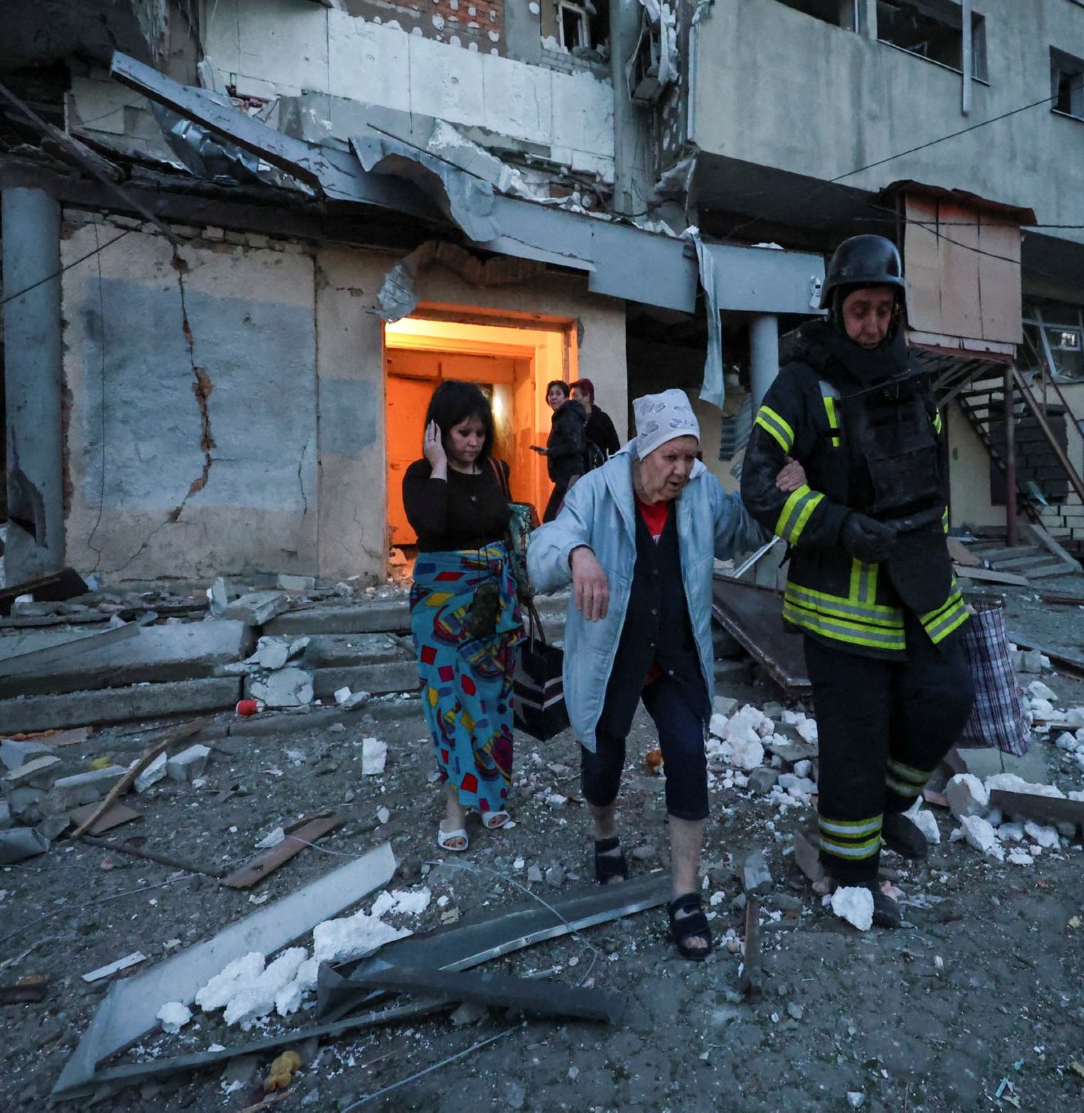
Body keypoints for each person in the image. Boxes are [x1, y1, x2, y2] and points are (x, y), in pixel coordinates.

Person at [741, 234, 974, 928]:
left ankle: (885, 811)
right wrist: (836, 523)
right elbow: (758, 485)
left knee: (947, 696)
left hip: (922, 586)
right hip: (841, 601)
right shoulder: (800, 385)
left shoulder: (913, 378)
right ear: (835, 309)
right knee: (857, 737)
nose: (871, 325)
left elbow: (932, 475)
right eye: (859, 310)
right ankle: (855, 875)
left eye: (882, 310)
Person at [528, 389, 768, 960]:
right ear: (643, 453)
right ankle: (604, 834)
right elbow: (542, 551)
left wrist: (777, 493)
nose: (683, 470)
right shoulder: (594, 491)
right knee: (603, 761)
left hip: (676, 659)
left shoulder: (701, 491)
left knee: (688, 754)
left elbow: (743, 532)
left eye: (691, 457)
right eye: (672, 458)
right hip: (613, 658)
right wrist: (578, 553)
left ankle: (685, 894)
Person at [402, 380, 526, 853]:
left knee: (492, 700)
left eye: (478, 432)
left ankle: (491, 793)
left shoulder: (496, 469)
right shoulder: (420, 475)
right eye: (461, 432)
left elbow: (504, 532)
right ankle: (455, 807)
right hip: (439, 609)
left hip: (491, 604)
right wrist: (438, 467)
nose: (472, 442)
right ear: (439, 431)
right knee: (448, 707)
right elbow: (430, 527)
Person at [539, 380, 588, 522]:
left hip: (571, 475)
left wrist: (551, 451)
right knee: (560, 518)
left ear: (566, 397)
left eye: (558, 394)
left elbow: (575, 445)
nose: (553, 397)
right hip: (565, 476)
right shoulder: (562, 416)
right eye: (550, 394)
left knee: (552, 518)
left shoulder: (568, 415)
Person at [570, 378, 621, 469]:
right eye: (571, 396)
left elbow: (615, 448)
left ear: (587, 396)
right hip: (576, 474)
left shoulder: (602, 419)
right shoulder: (570, 420)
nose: (572, 400)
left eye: (575, 396)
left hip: (597, 472)